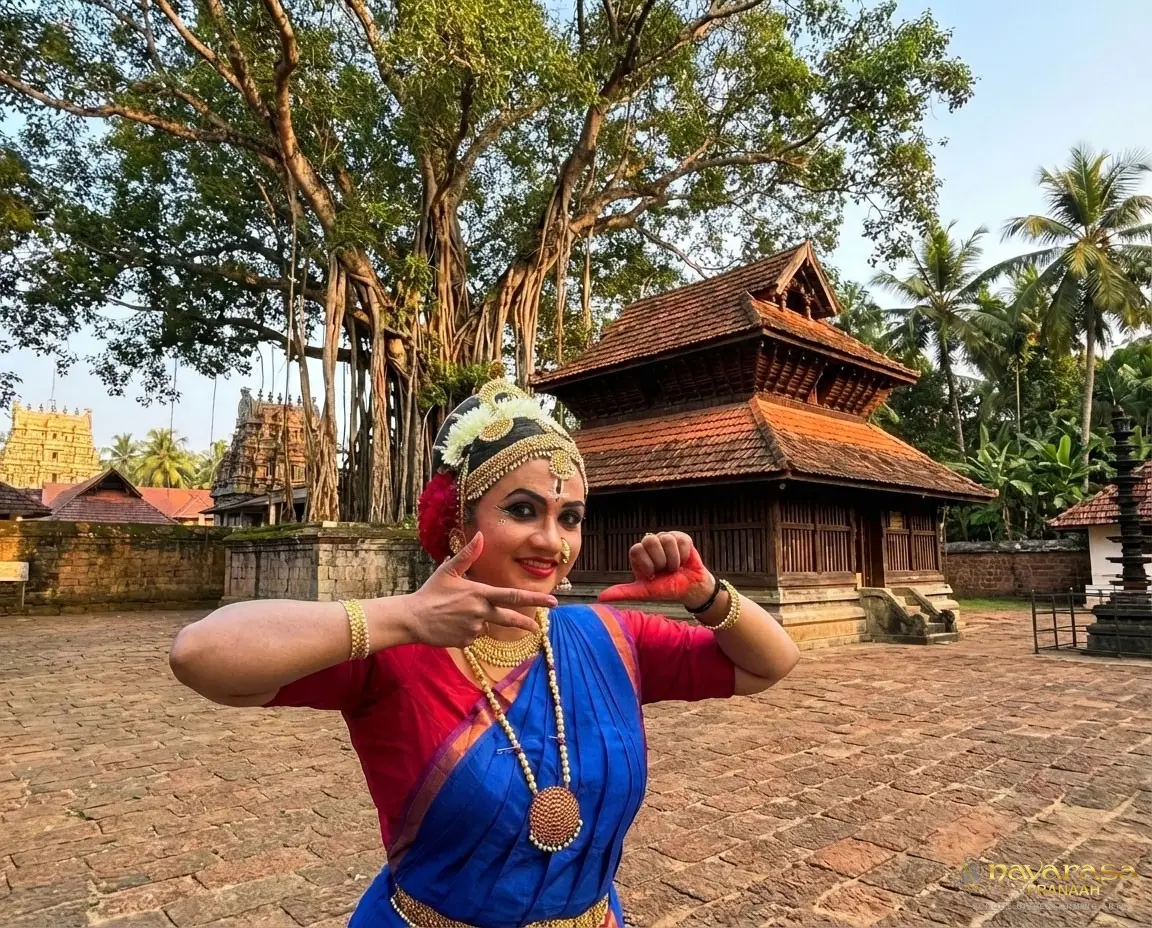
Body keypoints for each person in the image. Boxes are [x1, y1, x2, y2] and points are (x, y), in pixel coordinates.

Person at [169, 377, 801, 928]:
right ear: (455, 524)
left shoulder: (611, 638)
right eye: (523, 510)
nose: (552, 541)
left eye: (571, 517)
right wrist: (404, 615)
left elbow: (770, 663)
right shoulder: (396, 651)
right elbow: (200, 654)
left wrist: (708, 593)